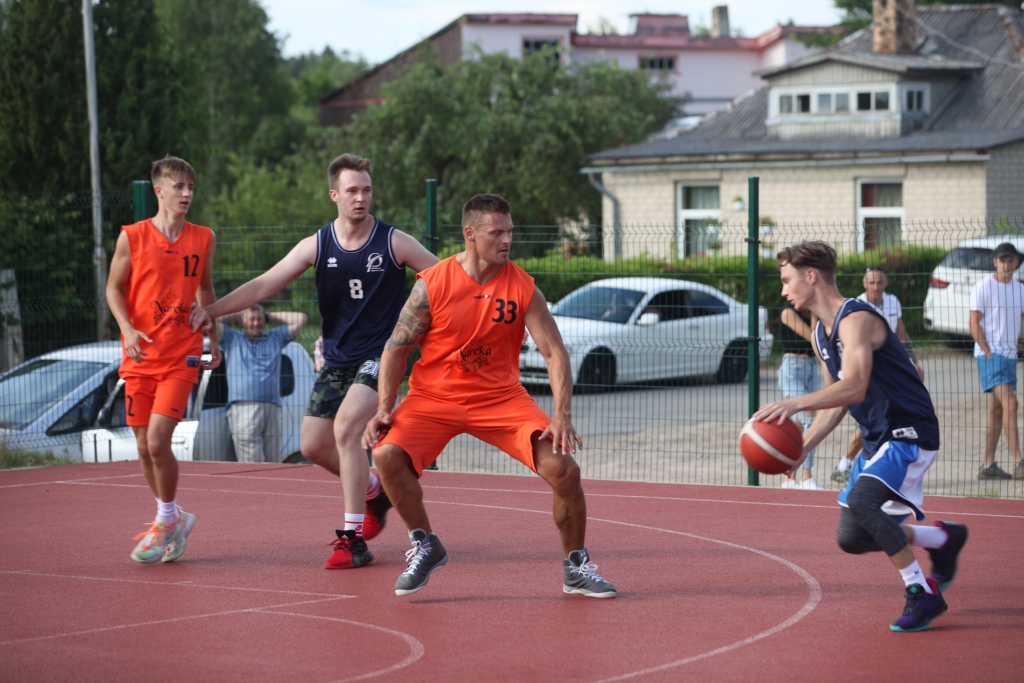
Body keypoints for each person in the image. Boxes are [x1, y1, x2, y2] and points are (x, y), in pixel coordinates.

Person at [362, 193, 617, 599]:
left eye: (510, 231)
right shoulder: (433, 284)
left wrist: (562, 414)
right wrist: (383, 409)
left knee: (564, 470)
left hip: (501, 399)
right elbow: (396, 347)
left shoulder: (522, 287)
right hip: (434, 398)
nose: (506, 240)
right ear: (470, 235)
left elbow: (554, 351)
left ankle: (576, 567)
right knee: (385, 453)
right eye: (496, 232)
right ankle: (425, 544)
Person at [189, 153, 438, 569]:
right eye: (352, 191)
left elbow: (446, 279)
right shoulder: (318, 245)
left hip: (382, 354)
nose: (361, 198)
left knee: (346, 431)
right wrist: (212, 311)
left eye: (367, 190)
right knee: (313, 445)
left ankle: (352, 540)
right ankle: (374, 492)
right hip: (339, 358)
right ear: (334, 195)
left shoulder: (394, 242)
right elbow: (264, 284)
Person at [754, 241, 967, 632]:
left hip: (909, 431)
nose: (783, 290)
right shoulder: (820, 332)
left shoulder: (857, 320)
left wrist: (794, 405)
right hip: (877, 439)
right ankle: (942, 539)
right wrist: (802, 450)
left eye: (787, 280)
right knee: (852, 536)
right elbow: (835, 402)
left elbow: (853, 386)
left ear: (811, 277)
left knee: (863, 501)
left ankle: (923, 592)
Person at [106, 156, 220, 564]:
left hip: (181, 355)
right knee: (142, 447)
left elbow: (205, 291)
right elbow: (113, 290)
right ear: (159, 190)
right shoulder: (132, 237)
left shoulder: (203, 237)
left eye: (191, 186)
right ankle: (175, 518)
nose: (187, 193)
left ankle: (166, 519)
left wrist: (214, 338)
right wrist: (128, 329)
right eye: (178, 187)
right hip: (139, 354)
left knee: (158, 440)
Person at [833, 266, 924, 483]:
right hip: (870, 373)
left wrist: (914, 361)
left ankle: (872, 467)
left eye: (879, 282)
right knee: (872, 423)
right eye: (871, 283)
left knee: (893, 422)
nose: (875, 286)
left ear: (886, 283)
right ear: (865, 284)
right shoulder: (857, 307)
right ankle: (846, 463)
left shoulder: (893, 302)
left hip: (894, 373)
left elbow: (901, 334)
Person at [218, 304, 307, 463]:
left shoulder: (274, 338)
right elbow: (213, 320)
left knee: (273, 462)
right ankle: (253, 487)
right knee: (251, 461)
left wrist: (268, 315)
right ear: (242, 321)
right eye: (252, 319)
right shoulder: (232, 338)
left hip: (272, 407)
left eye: (259, 319)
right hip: (243, 408)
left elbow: (300, 319)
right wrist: (237, 313)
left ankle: (270, 488)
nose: (256, 323)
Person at [970, 242, 1024, 480]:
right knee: (1012, 404)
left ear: (1016, 263)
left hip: (1010, 355)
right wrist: (986, 349)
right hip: (992, 355)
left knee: (997, 410)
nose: (1007, 264)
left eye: (1011, 260)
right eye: (1003, 260)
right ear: (995, 262)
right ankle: (1019, 462)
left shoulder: (1019, 289)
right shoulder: (984, 286)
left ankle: (987, 465)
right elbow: (974, 321)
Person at [777, 301, 820, 490]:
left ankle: (797, 479)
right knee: (808, 419)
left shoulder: (814, 311)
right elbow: (814, 338)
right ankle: (800, 478)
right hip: (793, 369)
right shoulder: (788, 312)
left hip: (811, 369)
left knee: (801, 424)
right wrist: (814, 316)